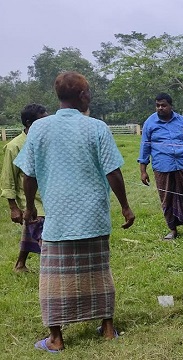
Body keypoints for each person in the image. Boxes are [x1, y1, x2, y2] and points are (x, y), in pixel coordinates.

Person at [14, 71, 135, 352]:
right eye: (89, 92)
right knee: (98, 271)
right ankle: (106, 329)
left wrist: (30, 206)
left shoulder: (40, 128)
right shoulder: (96, 128)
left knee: (54, 278)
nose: (90, 96)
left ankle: (56, 339)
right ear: (82, 96)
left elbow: (28, 175)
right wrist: (125, 207)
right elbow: (113, 172)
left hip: (57, 217)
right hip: (93, 215)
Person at [138, 93, 183, 240]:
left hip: (182, 165)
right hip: (162, 167)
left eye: (163, 105)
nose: (160, 108)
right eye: (157, 105)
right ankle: (172, 229)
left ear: (171, 106)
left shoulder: (182, 121)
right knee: (166, 197)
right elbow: (144, 148)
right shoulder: (150, 123)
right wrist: (143, 171)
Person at [1, 104, 47, 272]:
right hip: (32, 201)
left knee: (31, 228)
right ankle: (52, 271)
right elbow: (8, 178)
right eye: (42, 120)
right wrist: (13, 207)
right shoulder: (15, 146)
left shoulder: (45, 142)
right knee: (44, 236)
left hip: (48, 197)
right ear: (29, 123)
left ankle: (20, 264)